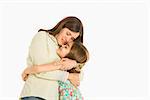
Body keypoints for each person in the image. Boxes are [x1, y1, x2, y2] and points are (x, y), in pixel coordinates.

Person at [20, 16, 84, 100]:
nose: (68, 39)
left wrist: (74, 64)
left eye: (72, 38)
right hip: (36, 93)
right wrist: (68, 76)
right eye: (68, 33)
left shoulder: (66, 50)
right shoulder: (42, 37)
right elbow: (39, 70)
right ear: (61, 27)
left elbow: (79, 77)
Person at [22, 42, 89, 100]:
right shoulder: (70, 68)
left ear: (71, 56)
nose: (62, 46)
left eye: (66, 47)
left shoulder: (62, 64)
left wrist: (27, 71)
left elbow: (43, 72)